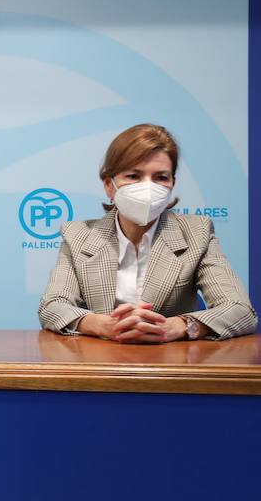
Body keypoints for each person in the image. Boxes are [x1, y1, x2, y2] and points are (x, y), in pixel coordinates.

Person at [39, 123, 255, 342]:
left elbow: (239, 310)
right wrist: (101, 325)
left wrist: (179, 326)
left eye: (161, 177)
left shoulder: (196, 233)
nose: (147, 188)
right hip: (100, 363)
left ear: (172, 184)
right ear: (109, 185)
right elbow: (53, 305)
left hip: (171, 365)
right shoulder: (77, 235)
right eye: (133, 176)